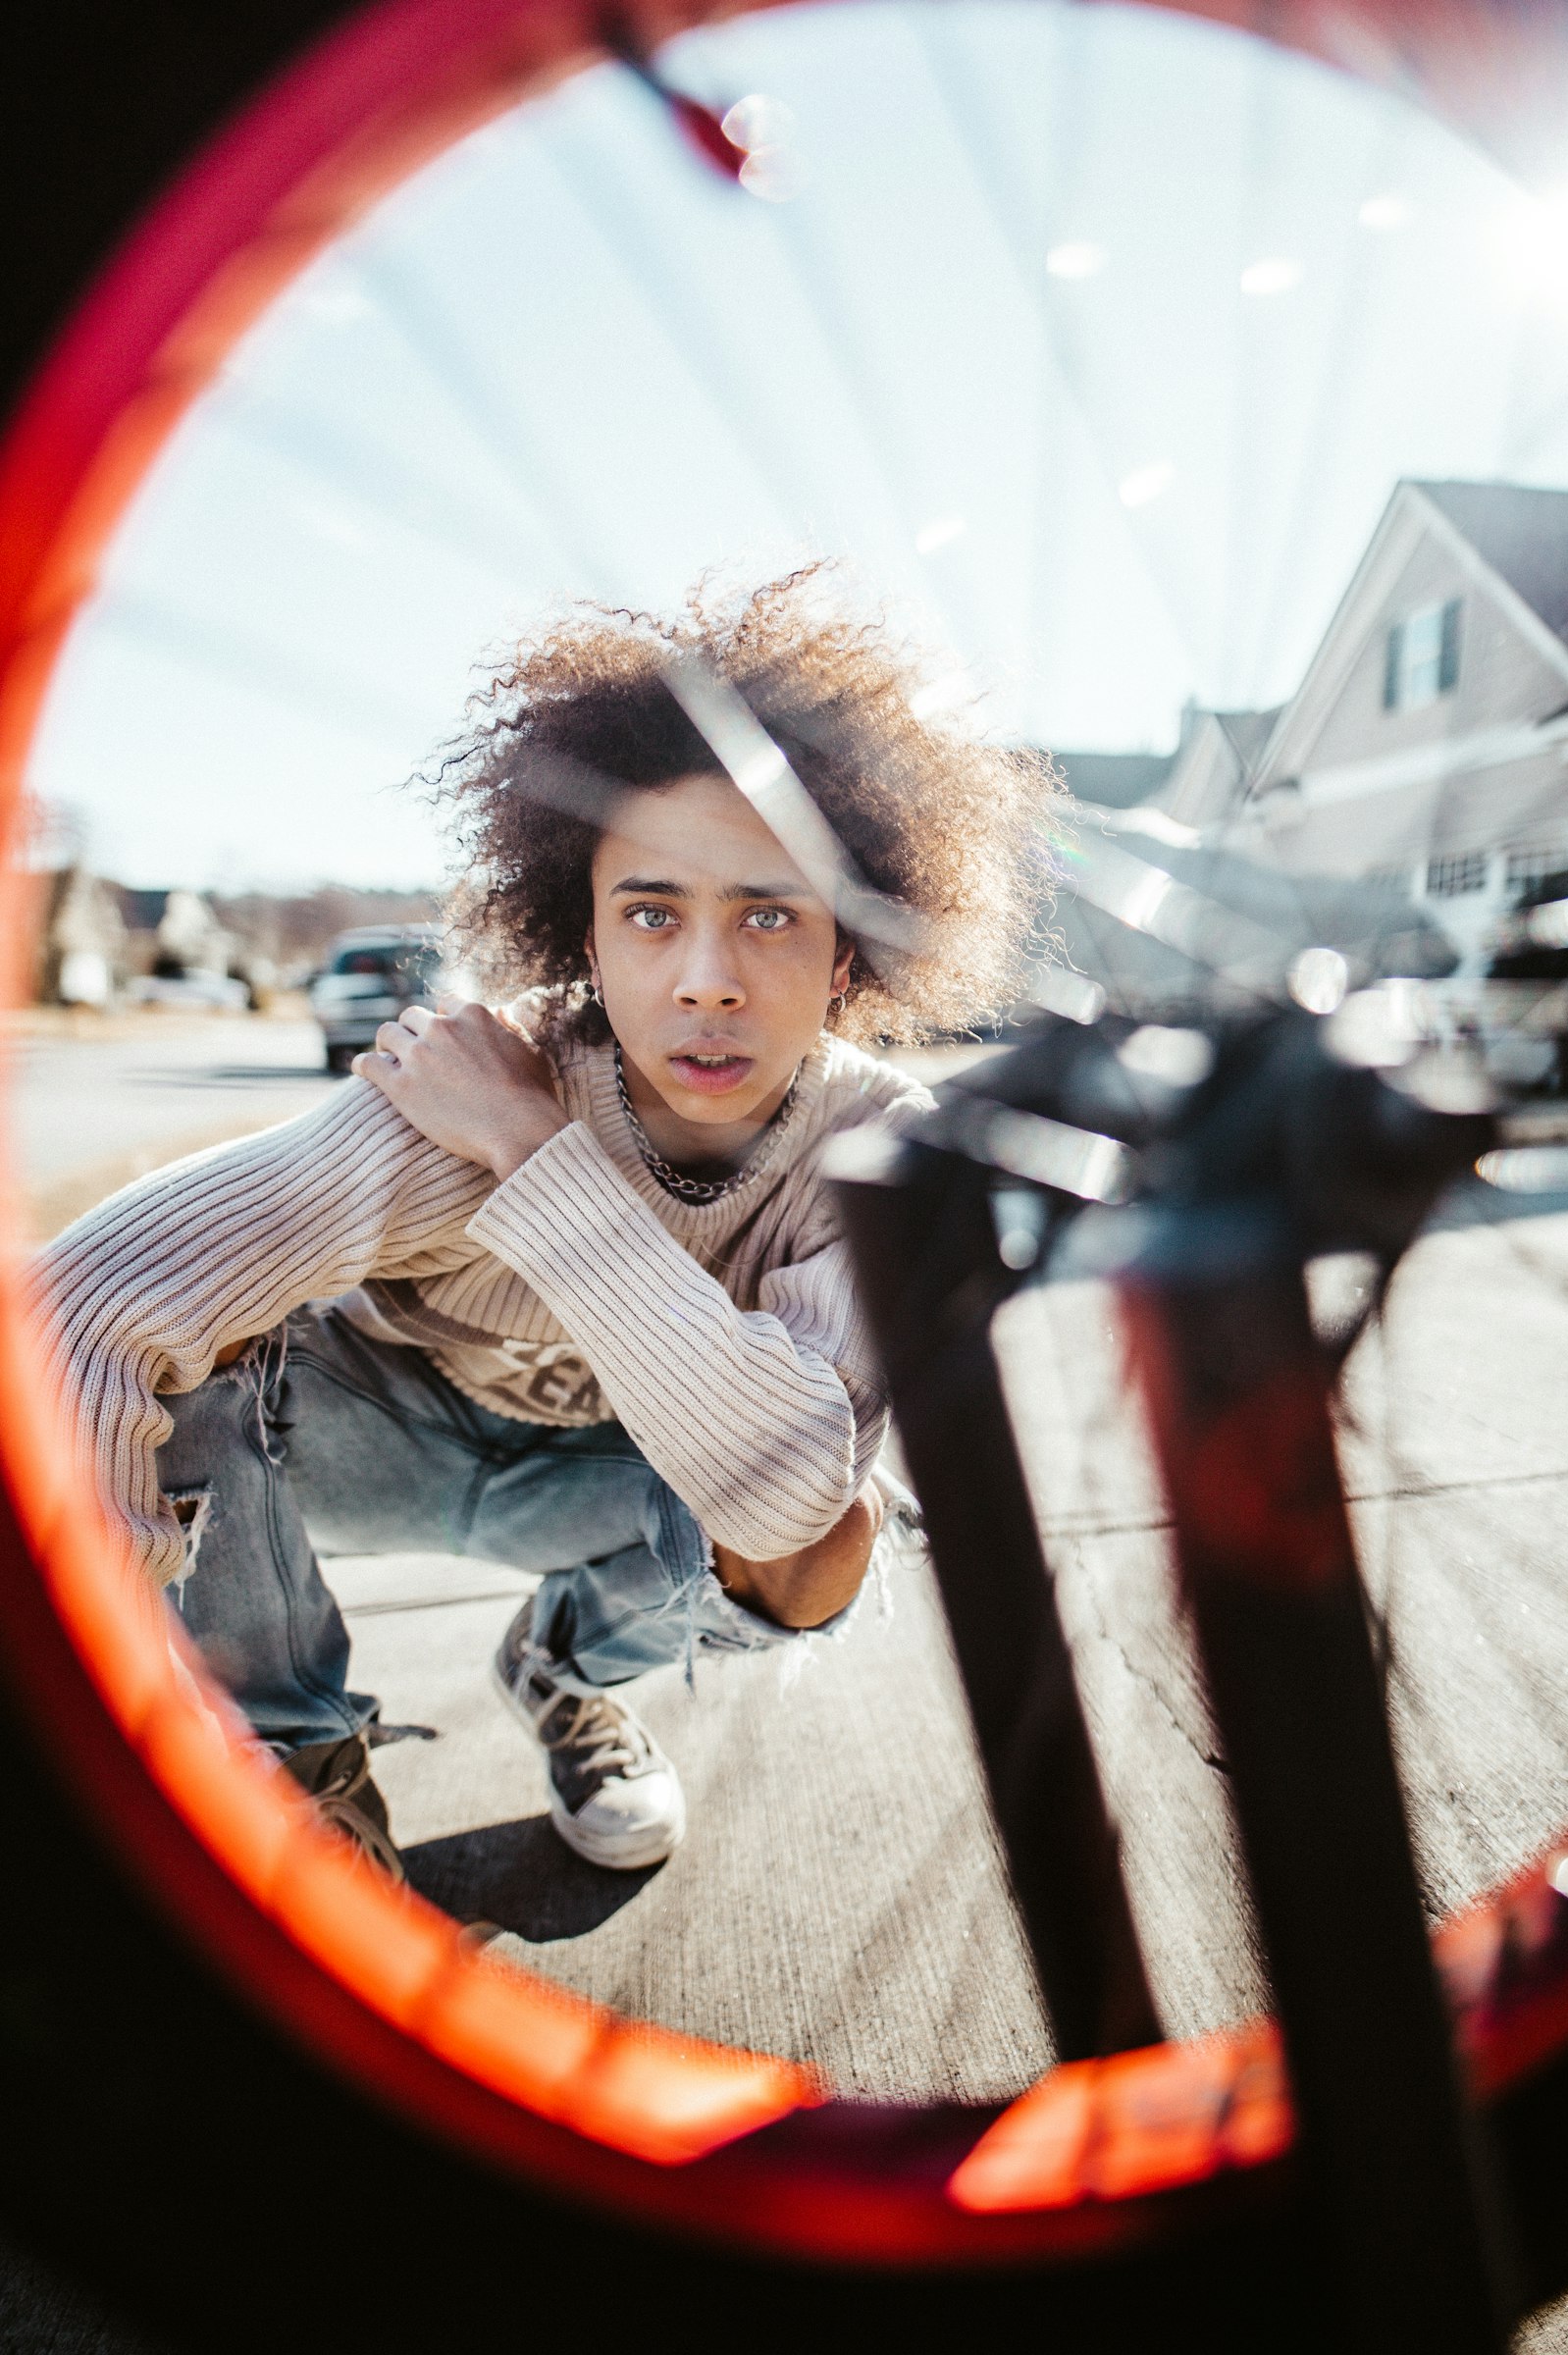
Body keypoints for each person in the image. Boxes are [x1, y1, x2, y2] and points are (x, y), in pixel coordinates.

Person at [33, 572, 1055, 1879]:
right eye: (652, 913)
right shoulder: (447, 1094)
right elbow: (77, 1306)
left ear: (848, 956)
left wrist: (534, 1152)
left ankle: (567, 1677)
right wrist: (122, 1681)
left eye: (770, 914)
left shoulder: (877, 1150)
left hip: (608, 1486)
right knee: (190, 1338)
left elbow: (787, 1491)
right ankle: (290, 1771)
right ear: (583, 930)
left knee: (827, 1538)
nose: (706, 979)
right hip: (350, 1442)